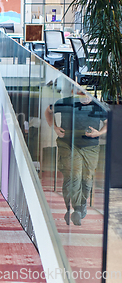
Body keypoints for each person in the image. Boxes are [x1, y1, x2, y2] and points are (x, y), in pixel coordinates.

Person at [45, 90, 107, 226]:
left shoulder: (98, 105)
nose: (85, 97)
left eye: (88, 94)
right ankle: (74, 209)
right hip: (68, 145)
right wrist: (54, 127)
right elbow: (48, 111)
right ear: (75, 91)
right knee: (74, 176)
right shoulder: (64, 102)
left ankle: (80, 207)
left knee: (87, 179)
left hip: (90, 147)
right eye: (82, 93)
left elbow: (108, 122)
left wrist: (99, 132)